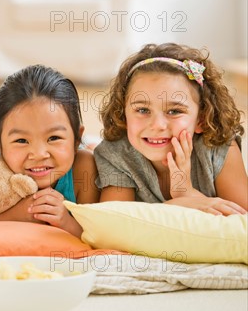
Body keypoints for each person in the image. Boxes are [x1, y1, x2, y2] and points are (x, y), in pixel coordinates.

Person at [0, 64, 100, 237]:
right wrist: (14, 216)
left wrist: (66, 222)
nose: (39, 154)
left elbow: (97, 236)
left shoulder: (83, 168)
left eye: (54, 138)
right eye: (22, 140)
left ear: (77, 138)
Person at [95, 42, 247, 215]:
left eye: (174, 111)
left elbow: (242, 223)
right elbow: (115, 224)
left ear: (201, 119)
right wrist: (177, 205)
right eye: (143, 110)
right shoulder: (115, 154)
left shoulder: (219, 148)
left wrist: (187, 193)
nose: (158, 125)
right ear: (123, 114)